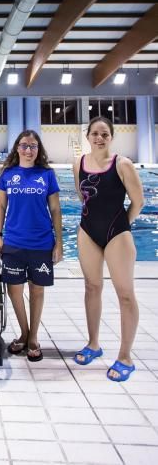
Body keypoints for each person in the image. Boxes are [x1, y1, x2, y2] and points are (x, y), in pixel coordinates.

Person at [73, 116, 144, 382]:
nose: (99, 138)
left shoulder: (122, 164)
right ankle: (93, 343)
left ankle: (125, 356)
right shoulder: (78, 163)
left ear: (111, 137)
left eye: (104, 134)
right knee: (92, 287)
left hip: (117, 233)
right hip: (87, 231)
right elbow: (84, 197)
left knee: (125, 294)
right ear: (88, 136)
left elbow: (137, 202)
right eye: (95, 134)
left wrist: (122, 226)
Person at [0, 130, 62, 362]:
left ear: (38, 149)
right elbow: (1, 207)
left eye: (33, 146)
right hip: (13, 241)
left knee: (36, 290)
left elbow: (55, 210)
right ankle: (24, 332)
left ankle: (33, 337)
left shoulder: (46, 174)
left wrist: (59, 243)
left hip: (41, 242)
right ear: (17, 148)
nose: (28, 150)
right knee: (14, 290)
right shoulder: (8, 174)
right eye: (24, 145)